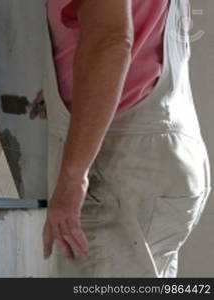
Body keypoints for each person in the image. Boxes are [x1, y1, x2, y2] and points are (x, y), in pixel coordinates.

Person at [38, 0, 211, 277]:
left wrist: (73, 177)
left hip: (119, 160)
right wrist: (74, 86)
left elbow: (110, 41)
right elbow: (147, 36)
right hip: (169, 151)